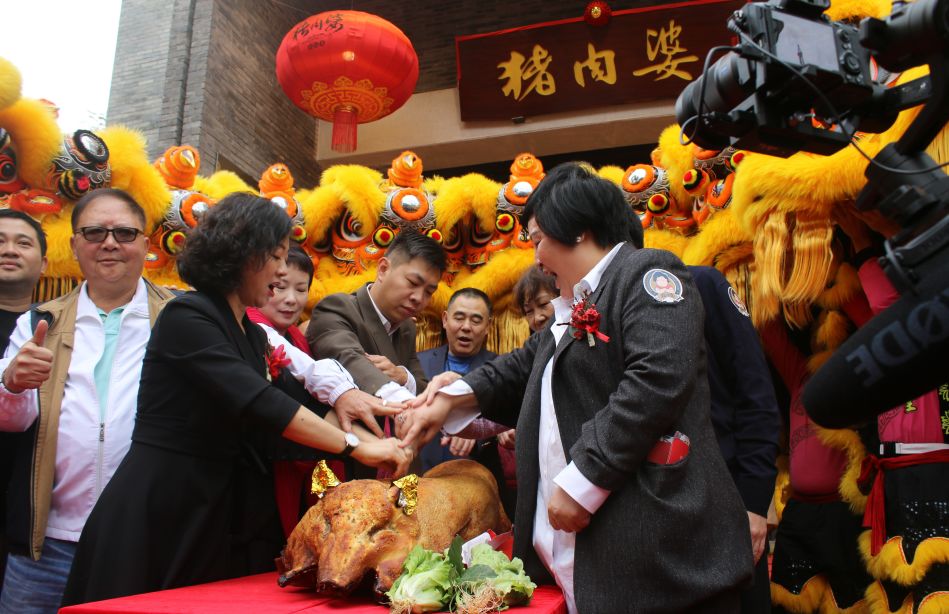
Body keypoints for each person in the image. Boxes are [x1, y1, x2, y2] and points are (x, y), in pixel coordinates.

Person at [399, 162, 753, 613]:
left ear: (579, 230)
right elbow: (514, 372)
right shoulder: (570, 309)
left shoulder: (646, 274)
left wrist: (585, 478)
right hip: (593, 570)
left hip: (664, 568)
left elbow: (657, 377)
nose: (535, 256)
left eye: (538, 238)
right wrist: (446, 401)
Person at [61, 194, 410, 606]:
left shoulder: (252, 334)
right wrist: (357, 446)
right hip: (162, 504)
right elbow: (259, 402)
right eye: (276, 256)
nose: (282, 270)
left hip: (215, 509)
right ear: (242, 254)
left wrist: (365, 429)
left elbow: (275, 428)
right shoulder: (187, 317)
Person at [0, 189, 176, 614]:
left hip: (144, 540)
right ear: (75, 244)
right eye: (95, 232)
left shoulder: (179, 315)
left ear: (146, 244)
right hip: (47, 545)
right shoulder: (39, 320)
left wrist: (342, 388)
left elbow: (280, 356)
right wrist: (12, 385)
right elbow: (13, 422)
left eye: (124, 232)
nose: (110, 242)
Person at [246, 244, 401, 536]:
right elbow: (307, 371)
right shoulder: (253, 327)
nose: (291, 299)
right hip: (270, 460)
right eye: (279, 287)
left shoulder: (297, 334)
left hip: (311, 454)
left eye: (301, 290)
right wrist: (346, 397)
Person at [307, 230, 445, 473]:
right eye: (413, 283)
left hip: (397, 462)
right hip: (345, 463)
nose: (418, 298)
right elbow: (350, 359)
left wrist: (404, 376)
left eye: (429, 292)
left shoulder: (407, 328)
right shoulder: (338, 308)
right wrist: (402, 400)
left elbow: (420, 385)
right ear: (383, 269)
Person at [687, 265, 780, 614]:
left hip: (728, 501)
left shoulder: (699, 283)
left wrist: (755, 504)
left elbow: (755, 393)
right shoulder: (595, 306)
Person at [0, 210, 48, 601]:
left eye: (23, 242)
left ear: (45, 263)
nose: (9, 250)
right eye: (0, 241)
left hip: (32, 510)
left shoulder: (56, 324)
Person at [418, 287, 496, 472]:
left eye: (476, 320)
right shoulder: (418, 362)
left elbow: (508, 419)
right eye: (459, 318)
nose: (466, 327)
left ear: (488, 326)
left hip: (474, 478)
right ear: (445, 320)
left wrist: (476, 432)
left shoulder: (500, 367)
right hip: (420, 476)